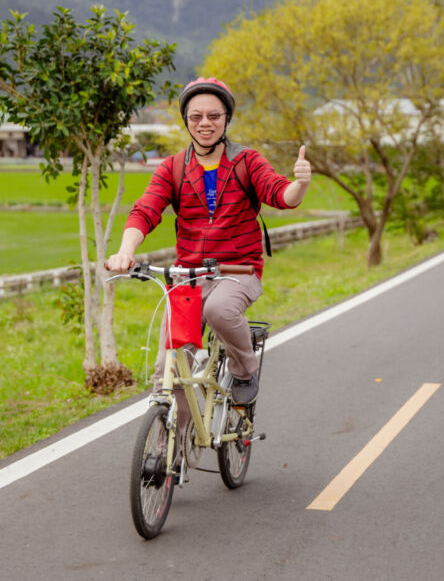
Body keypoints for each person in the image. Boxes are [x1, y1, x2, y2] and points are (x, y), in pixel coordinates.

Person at [106, 77, 311, 404]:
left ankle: (244, 368)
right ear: (186, 121)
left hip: (238, 271)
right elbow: (145, 210)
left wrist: (299, 184)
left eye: (214, 116)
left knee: (219, 309)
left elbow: (279, 193)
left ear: (226, 119)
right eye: (196, 116)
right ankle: (172, 448)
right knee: (170, 372)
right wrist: (124, 251)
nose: (205, 124)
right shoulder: (172, 168)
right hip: (189, 275)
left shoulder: (247, 161)